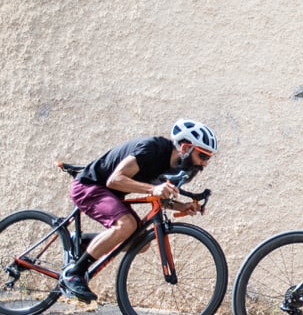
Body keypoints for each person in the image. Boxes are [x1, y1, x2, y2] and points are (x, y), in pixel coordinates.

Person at [59, 119, 218, 303]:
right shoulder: (151, 149)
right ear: (185, 148)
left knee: (141, 243)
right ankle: (74, 273)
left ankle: (82, 241)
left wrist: (181, 206)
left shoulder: (173, 168)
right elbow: (115, 180)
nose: (204, 164)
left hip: (112, 194)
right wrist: (153, 189)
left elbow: (158, 196)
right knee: (127, 224)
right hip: (89, 187)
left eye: (208, 158)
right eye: (203, 156)